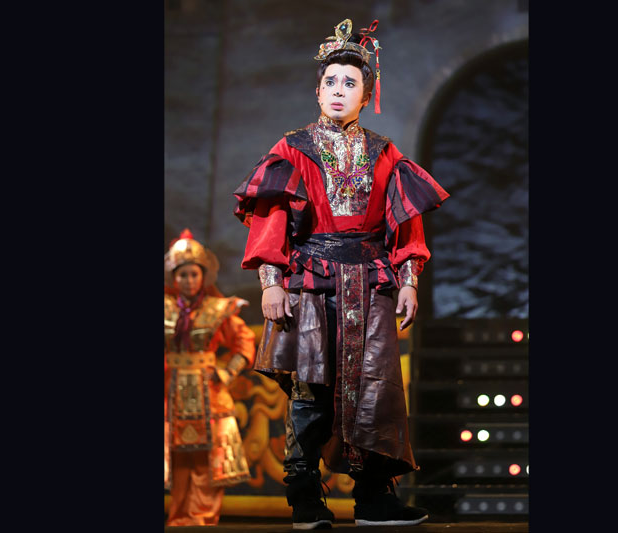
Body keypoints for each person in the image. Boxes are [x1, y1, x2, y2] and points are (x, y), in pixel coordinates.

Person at [234, 18, 449, 529]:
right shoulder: (293, 148)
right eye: (330, 81)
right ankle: (305, 497)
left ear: (365, 95)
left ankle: (374, 498)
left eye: (350, 82)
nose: (338, 89)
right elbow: (272, 218)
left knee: (377, 388)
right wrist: (270, 283)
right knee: (311, 388)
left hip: (371, 281)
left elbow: (405, 222)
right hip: (311, 279)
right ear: (317, 91)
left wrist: (410, 280)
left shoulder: (384, 152)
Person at [164, 228, 256, 526]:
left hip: (210, 393)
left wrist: (227, 372)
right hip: (171, 392)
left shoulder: (219, 308)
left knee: (208, 460)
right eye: (182, 275)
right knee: (178, 459)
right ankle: (179, 518)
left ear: (203, 276)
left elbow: (244, 341)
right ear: (174, 278)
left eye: (194, 274)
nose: (188, 280)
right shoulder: (165, 308)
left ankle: (202, 519)